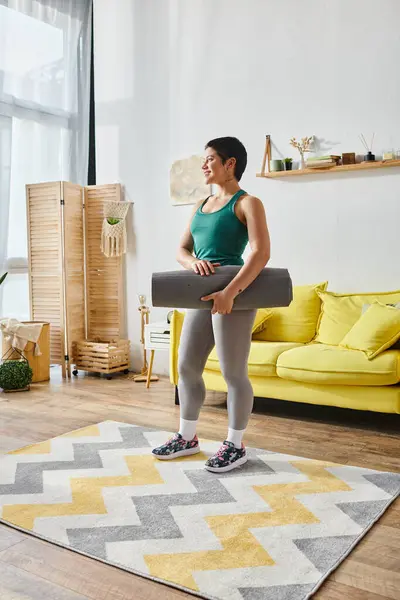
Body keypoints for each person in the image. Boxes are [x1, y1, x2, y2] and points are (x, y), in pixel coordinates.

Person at [152, 136, 271, 472]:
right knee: (187, 366)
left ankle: (236, 444)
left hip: (235, 293)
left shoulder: (248, 203)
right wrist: (192, 264)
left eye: (209, 159)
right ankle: (187, 438)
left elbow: (261, 253)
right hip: (199, 294)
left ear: (229, 164)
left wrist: (230, 293)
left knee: (233, 372)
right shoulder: (199, 206)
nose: (203, 166)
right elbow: (182, 250)